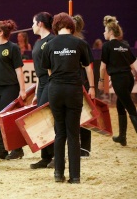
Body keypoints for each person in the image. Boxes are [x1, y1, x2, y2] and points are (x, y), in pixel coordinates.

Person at [41, 12, 95, 184]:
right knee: (73, 133)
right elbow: (87, 66)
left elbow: (47, 70)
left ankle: (58, 173)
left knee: (59, 132)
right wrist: (92, 87)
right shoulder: (80, 43)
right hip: (73, 90)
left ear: (56, 26)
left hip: (55, 89)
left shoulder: (49, 44)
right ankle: (75, 176)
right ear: (71, 26)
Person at [0, 20, 27, 160]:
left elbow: (19, 70)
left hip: (10, 87)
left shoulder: (12, 48)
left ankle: (17, 149)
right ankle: (1, 150)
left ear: (1, 32)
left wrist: (22, 89)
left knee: (7, 118)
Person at [99, 15, 137, 146]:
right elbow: (134, 65)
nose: (104, 33)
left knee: (131, 108)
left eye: (105, 30)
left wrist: (101, 80)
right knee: (121, 105)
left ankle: (123, 136)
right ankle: (122, 137)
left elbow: (103, 66)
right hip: (128, 78)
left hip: (118, 79)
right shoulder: (124, 45)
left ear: (110, 32)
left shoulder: (107, 46)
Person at [29, 12, 55, 169]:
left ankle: (55, 157)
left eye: (33, 22)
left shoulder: (52, 40)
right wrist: (37, 92)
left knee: (49, 120)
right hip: (42, 83)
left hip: (51, 82)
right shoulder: (38, 43)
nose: (31, 25)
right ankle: (45, 156)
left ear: (40, 24)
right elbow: (38, 71)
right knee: (42, 120)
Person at [73, 15, 94, 158]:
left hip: (81, 83)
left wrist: (92, 86)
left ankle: (85, 147)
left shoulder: (82, 44)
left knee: (84, 115)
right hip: (69, 83)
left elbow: (89, 67)